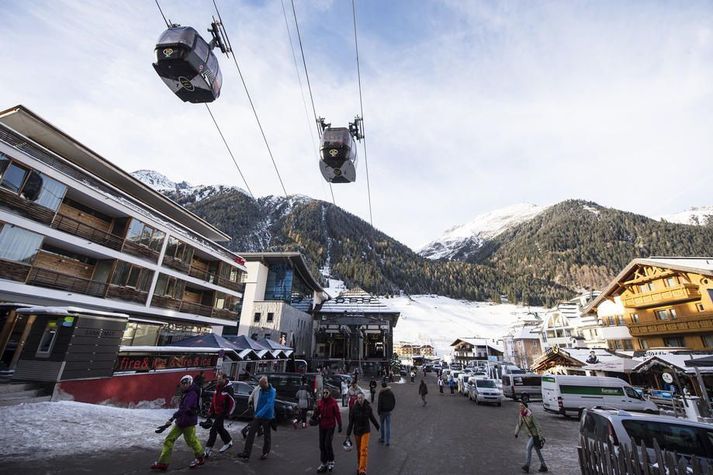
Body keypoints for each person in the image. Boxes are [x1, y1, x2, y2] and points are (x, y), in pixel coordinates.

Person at [150, 375, 204, 471]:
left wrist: (171, 419)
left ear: (189, 383)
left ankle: (200, 457)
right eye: (181, 384)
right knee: (169, 440)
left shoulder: (192, 394)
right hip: (180, 422)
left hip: (188, 423)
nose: (182, 386)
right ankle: (163, 463)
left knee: (191, 441)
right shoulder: (186, 393)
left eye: (183, 384)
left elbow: (185, 408)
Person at [238, 376, 276, 462]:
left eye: (262, 386)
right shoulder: (260, 389)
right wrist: (251, 402)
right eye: (260, 386)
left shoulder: (272, 391)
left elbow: (268, 404)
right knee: (251, 434)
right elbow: (254, 395)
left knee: (267, 435)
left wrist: (259, 414)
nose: (260, 387)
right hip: (258, 415)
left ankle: (265, 452)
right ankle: (246, 454)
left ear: (266, 383)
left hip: (267, 417)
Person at [346, 392, 380, 475]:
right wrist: (348, 434)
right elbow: (351, 422)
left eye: (361, 398)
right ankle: (359, 466)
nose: (360, 399)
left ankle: (362, 470)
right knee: (359, 450)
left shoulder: (368, 408)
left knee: (363, 449)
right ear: (357, 399)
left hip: (365, 431)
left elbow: (372, 418)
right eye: (358, 398)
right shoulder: (354, 408)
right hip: (357, 431)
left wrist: (378, 427)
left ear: (364, 398)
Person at [203, 374, 233, 457]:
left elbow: (232, 401)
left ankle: (208, 449)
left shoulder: (228, 388)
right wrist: (211, 410)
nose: (218, 381)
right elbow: (214, 400)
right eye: (218, 379)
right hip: (217, 411)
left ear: (224, 379)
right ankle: (228, 441)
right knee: (220, 428)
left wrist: (229, 412)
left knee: (213, 429)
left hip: (223, 412)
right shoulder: (218, 387)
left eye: (220, 379)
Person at [313, 387, 342, 473]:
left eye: (326, 393)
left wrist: (340, 425)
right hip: (322, 425)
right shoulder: (320, 402)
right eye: (324, 392)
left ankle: (331, 461)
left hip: (330, 425)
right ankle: (323, 463)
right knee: (321, 445)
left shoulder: (333, 402)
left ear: (329, 393)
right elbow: (317, 413)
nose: (324, 394)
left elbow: (337, 414)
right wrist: (315, 413)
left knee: (327, 444)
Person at [514, 401, 548, 473]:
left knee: (528, 448)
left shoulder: (530, 415)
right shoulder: (521, 414)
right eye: (519, 406)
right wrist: (516, 433)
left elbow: (538, 426)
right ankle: (544, 465)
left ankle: (527, 465)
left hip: (535, 435)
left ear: (525, 407)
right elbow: (519, 424)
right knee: (537, 450)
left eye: (522, 406)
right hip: (530, 435)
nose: (520, 407)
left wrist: (540, 437)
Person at [376, 381, 395, 446]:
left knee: (382, 425)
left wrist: (378, 411)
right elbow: (393, 401)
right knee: (388, 426)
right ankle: (388, 441)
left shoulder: (381, 393)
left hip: (382, 412)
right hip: (388, 411)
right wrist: (391, 408)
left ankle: (382, 438)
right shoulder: (391, 392)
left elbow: (379, 403)